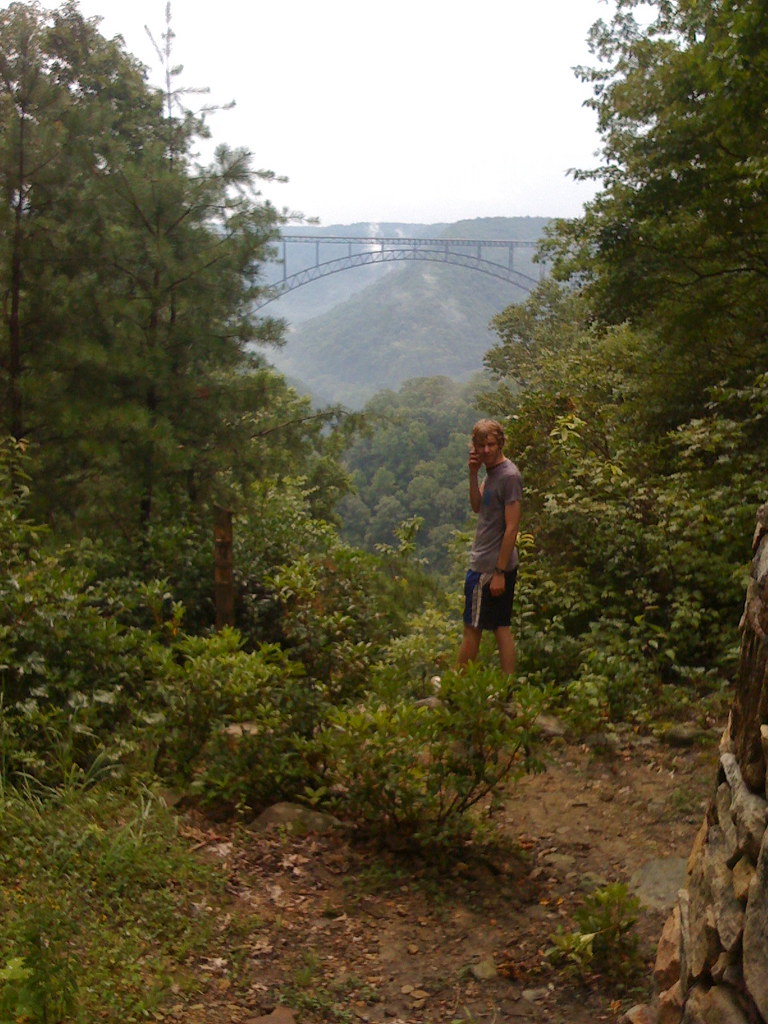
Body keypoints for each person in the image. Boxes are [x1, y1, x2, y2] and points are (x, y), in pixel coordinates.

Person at [457, 418, 522, 675]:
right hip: (494, 564)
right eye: (480, 445)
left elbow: (512, 528)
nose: (485, 450)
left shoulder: (509, 476)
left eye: (491, 444)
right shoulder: (492, 472)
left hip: (489, 566)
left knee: (472, 629)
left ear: (500, 443)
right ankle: (507, 690)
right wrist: (473, 474)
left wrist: (498, 572)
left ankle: (456, 689)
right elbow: (477, 505)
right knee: (500, 627)